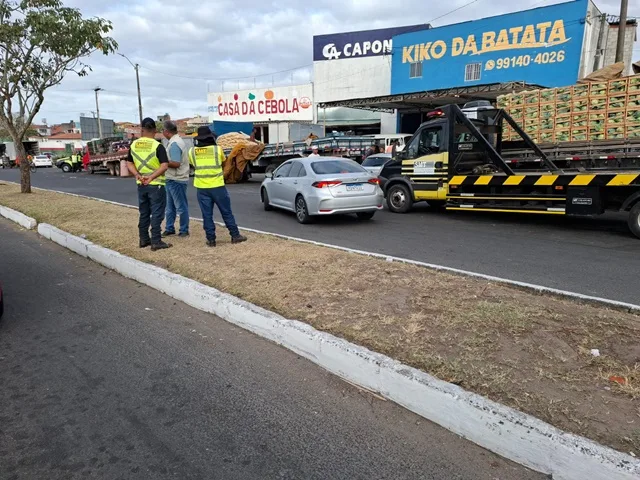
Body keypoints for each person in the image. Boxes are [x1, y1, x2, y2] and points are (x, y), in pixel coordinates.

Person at [189, 126, 247, 247]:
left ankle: (211, 240)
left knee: (207, 215)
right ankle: (235, 235)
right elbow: (222, 161)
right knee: (226, 212)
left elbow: (193, 165)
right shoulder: (217, 150)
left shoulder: (191, 152)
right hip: (218, 186)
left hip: (202, 188)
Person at [126, 117, 171, 251]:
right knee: (157, 212)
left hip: (141, 184)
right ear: (155, 130)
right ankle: (156, 240)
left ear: (142, 129)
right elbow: (164, 166)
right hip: (156, 183)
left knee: (144, 212)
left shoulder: (133, 145)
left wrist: (137, 175)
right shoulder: (158, 146)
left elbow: (129, 163)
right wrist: (151, 177)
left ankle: (144, 239)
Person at [161, 120, 190, 238]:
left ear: (167, 132)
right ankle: (169, 227)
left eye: (163, 130)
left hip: (176, 178)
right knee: (170, 206)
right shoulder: (175, 141)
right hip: (172, 178)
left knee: (180, 206)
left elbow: (176, 163)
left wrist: (163, 163)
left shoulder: (174, 144)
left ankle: (183, 229)